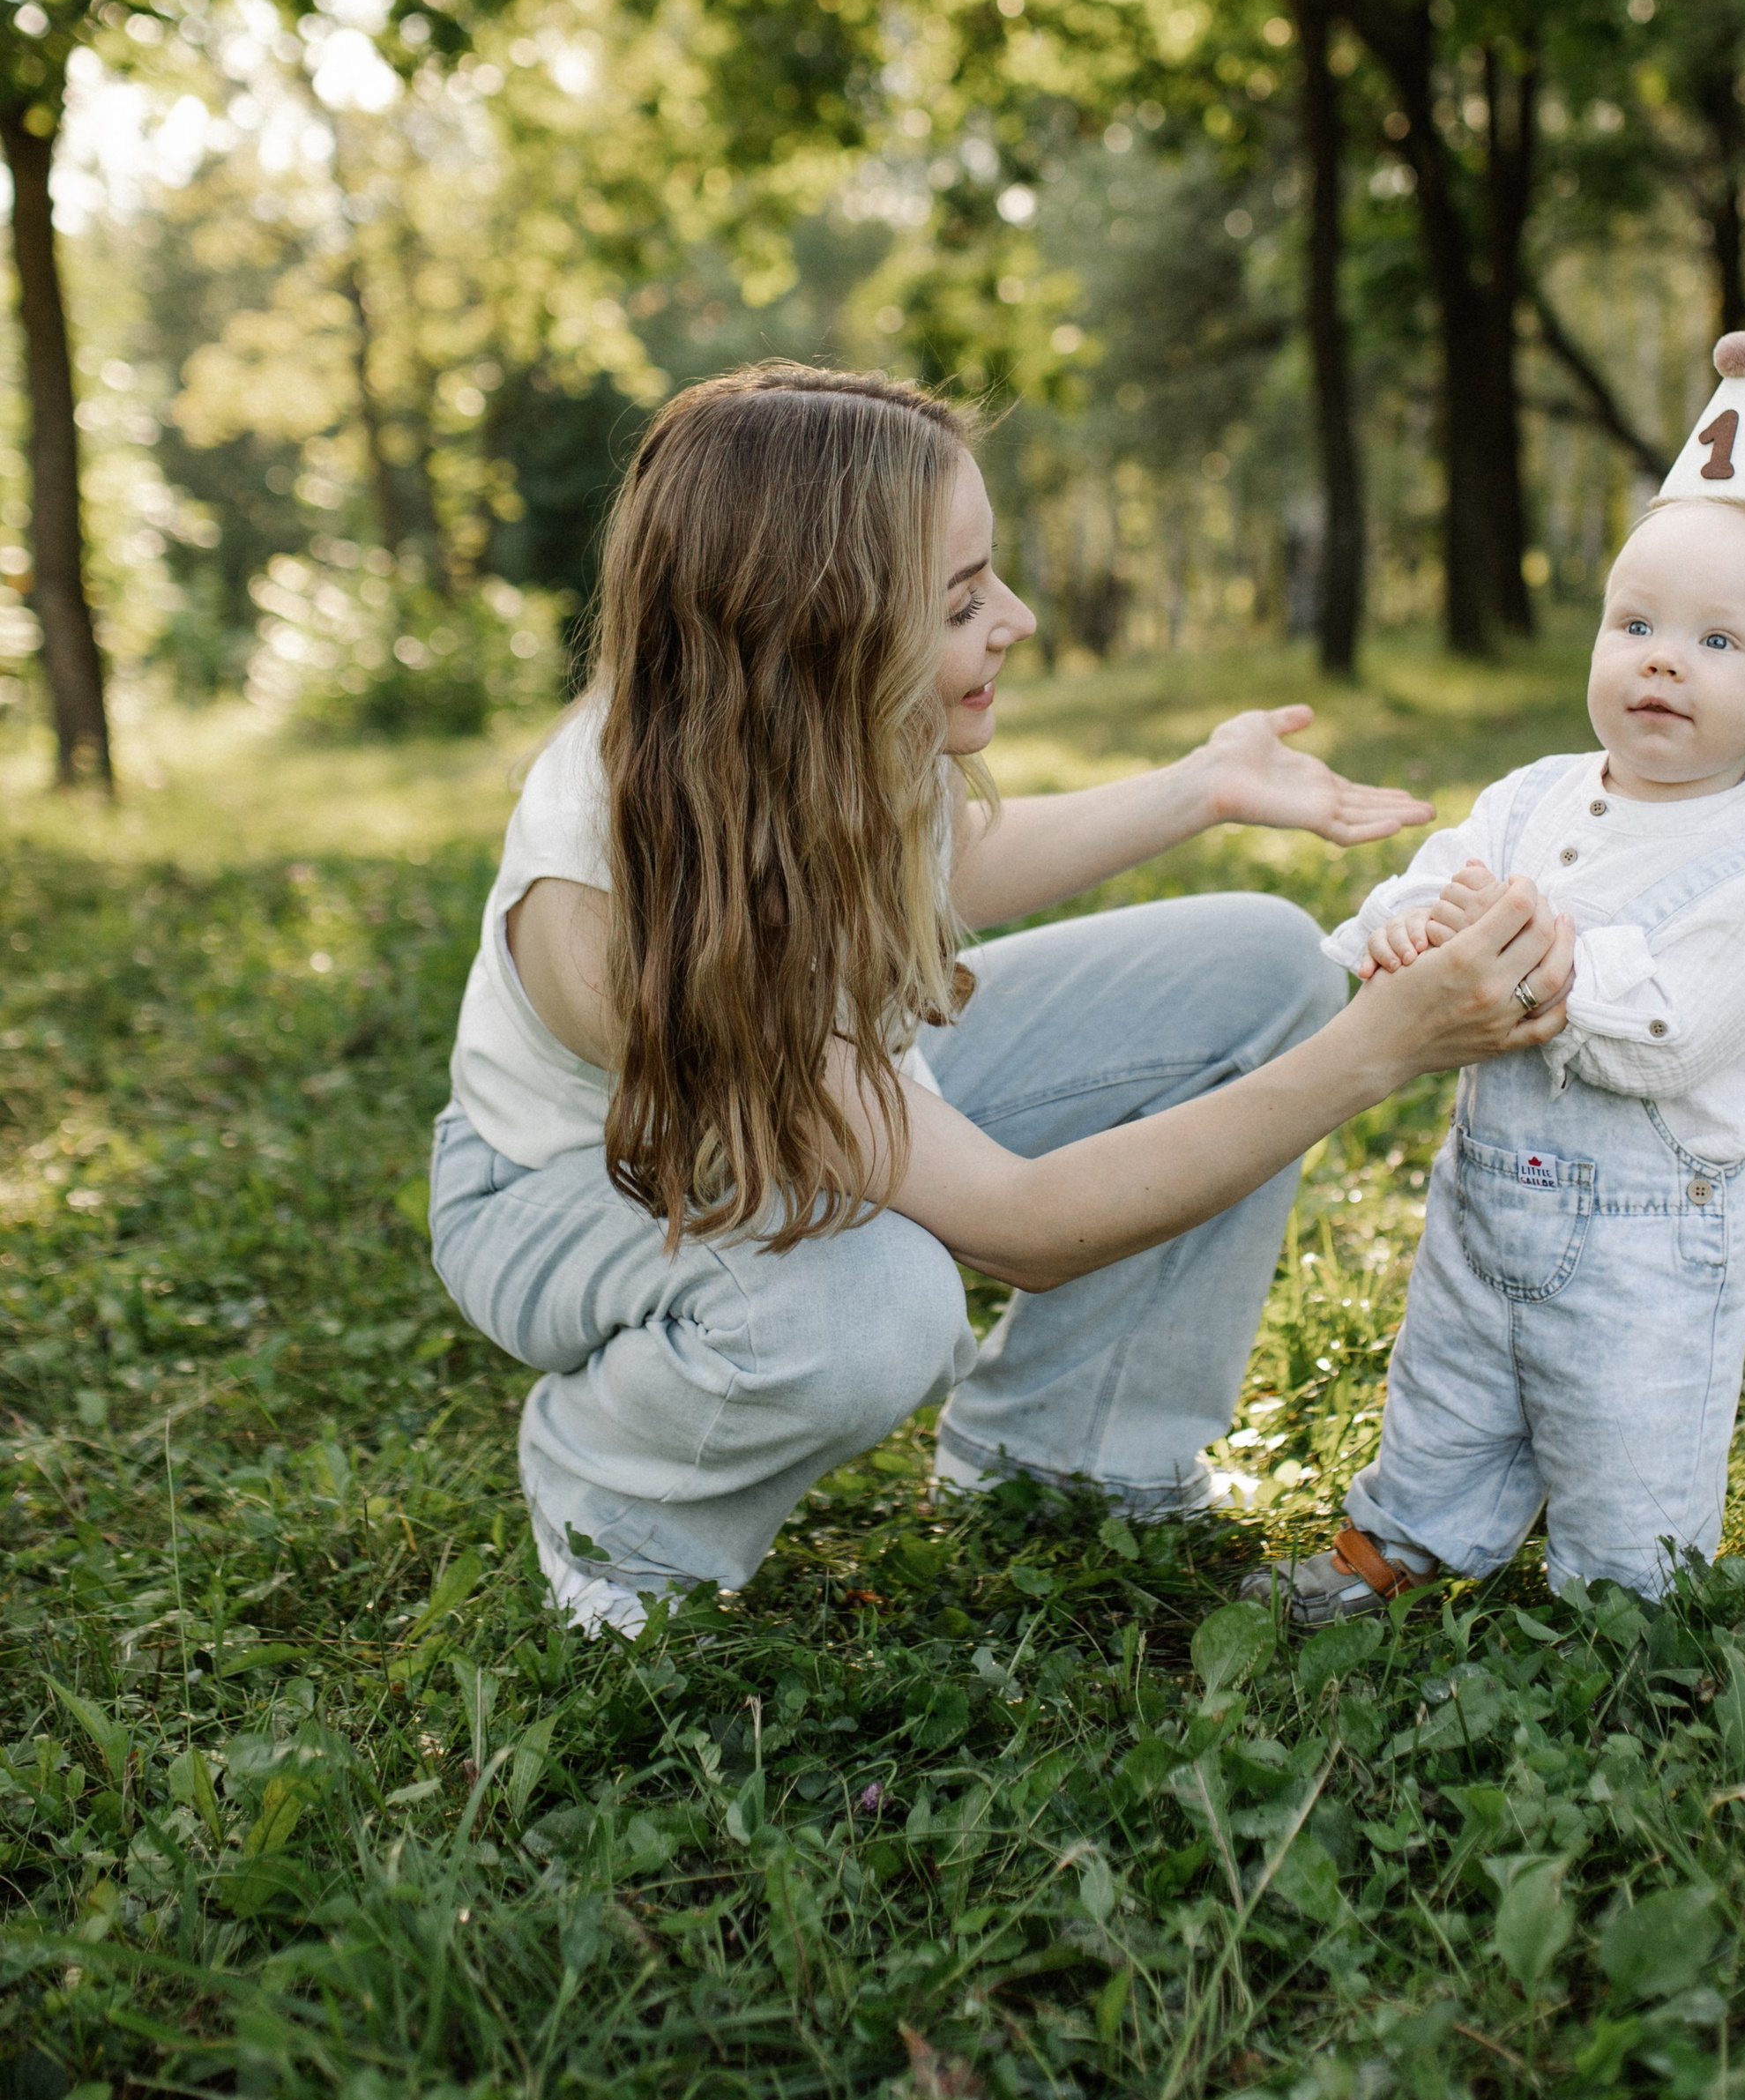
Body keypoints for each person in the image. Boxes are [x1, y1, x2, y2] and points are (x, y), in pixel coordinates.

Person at [427, 362, 1575, 1634]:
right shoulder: (614, 910)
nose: (1016, 619)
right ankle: (618, 1510)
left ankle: (1068, 1457)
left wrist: (1202, 786)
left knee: (1262, 964)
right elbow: (1018, 1222)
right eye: (965, 600)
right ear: (815, 627)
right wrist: (1379, 1050)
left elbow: (944, 868)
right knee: (875, 1306)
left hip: (841, 1082)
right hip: (573, 1182)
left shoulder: (805, 725)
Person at [1251, 337, 1745, 1625]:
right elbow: (1438, 875)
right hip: (1487, 1203)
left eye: (1715, 640)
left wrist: (1548, 960)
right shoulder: (1529, 796)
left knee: (1626, 1422)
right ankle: (1406, 1530)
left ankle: (1621, 1600)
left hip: (1649, 1251)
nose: (1662, 659)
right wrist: (1407, 929)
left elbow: (1670, 1031)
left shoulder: (1739, 888)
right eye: (1634, 624)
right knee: (1452, 1377)